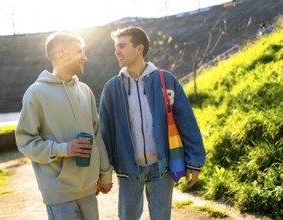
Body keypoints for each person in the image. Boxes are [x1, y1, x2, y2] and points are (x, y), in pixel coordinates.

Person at [99, 27, 206, 220]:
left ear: (139, 48)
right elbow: (105, 133)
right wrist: (103, 172)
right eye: (116, 47)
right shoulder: (112, 88)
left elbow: (186, 121)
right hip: (127, 171)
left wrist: (194, 161)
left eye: (122, 46)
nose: (117, 52)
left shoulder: (166, 80)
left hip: (161, 168)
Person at [15, 32, 113, 220]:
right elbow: (25, 142)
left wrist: (106, 174)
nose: (85, 57)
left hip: (88, 189)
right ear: (62, 53)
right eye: (79, 52)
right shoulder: (36, 93)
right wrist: (64, 149)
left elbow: (96, 134)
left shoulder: (85, 91)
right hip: (59, 193)